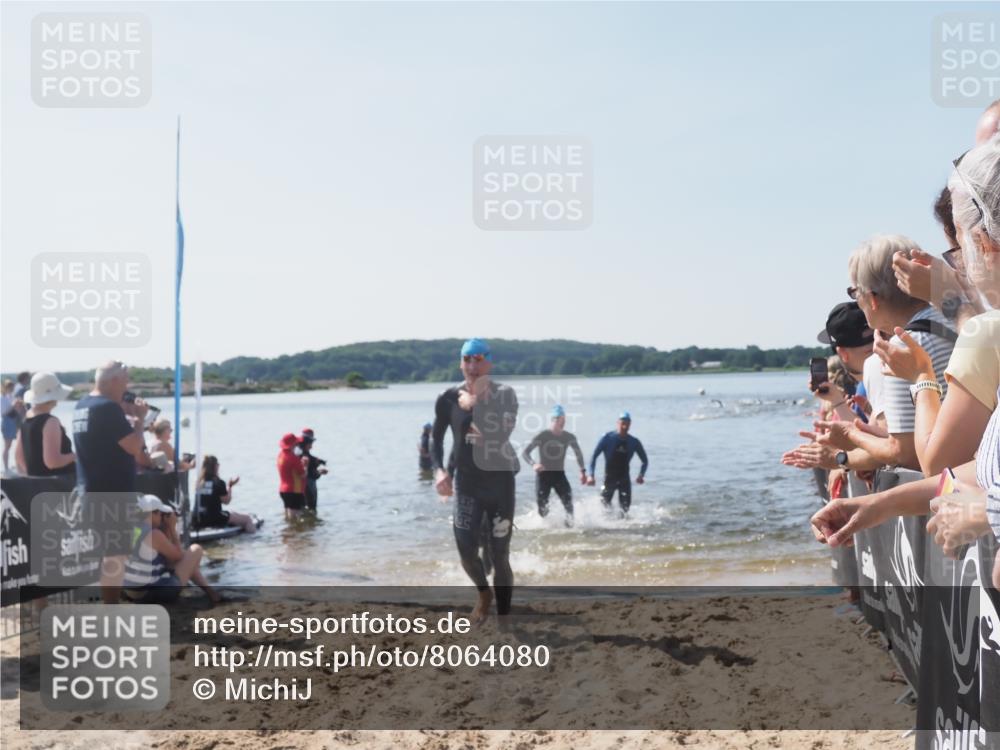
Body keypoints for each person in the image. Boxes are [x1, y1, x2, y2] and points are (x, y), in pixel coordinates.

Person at [432, 338, 519, 624]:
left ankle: (504, 617)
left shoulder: (505, 394)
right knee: (466, 548)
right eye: (467, 359)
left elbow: (501, 435)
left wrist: (475, 405)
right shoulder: (447, 398)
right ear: (460, 363)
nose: (472, 365)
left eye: (478, 359)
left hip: (500, 483)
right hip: (467, 484)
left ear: (489, 363)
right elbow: (437, 440)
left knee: (499, 553)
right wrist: (440, 471)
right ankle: (484, 594)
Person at [72, 361, 153, 604]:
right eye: (126, 379)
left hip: (90, 488)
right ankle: (111, 610)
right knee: (115, 554)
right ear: (115, 381)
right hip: (111, 491)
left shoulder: (82, 404)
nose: (128, 385)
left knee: (108, 553)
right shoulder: (107, 408)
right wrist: (139, 420)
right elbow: (134, 447)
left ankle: (107, 607)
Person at [123, 494, 220, 604]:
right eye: (160, 514)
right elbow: (178, 556)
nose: (161, 517)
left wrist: (166, 530)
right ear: (152, 513)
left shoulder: (134, 528)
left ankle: (210, 592)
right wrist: (172, 528)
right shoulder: (154, 534)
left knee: (184, 559)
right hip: (148, 595)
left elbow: (169, 558)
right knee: (196, 549)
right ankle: (211, 592)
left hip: (130, 591)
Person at [521, 404, 586, 526]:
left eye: (562, 420)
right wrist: (533, 464)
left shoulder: (569, 437)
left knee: (569, 505)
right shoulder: (543, 435)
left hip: (559, 475)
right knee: (542, 510)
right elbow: (525, 453)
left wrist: (583, 471)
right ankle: (546, 526)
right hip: (543, 476)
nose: (560, 422)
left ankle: (569, 528)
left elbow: (579, 454)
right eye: (557, 419)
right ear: (552, 420)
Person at [587, 412, 649, 516]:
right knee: (604, 506)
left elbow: (645, 461)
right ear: (618, 423)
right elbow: (593, 457)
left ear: (630, 424)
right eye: (622, 423)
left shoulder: (634, 442)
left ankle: (623, 529)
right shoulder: (607, 438)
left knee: (625, 510)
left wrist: (641, 475)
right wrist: (591, 475)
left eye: (627, 423)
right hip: (609, 478)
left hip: (624, 479)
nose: (624, 426)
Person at [14, 372, 75, 477]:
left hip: (39, 487)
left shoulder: (26, 420)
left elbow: (19, 456)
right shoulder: (50, 422)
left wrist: (36, 476)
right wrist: (76, 456)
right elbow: (52, 462)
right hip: (58, 486)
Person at [194, 455, 255, 532]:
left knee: (232, 513)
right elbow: (227, 501)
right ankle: (254, 540)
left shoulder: (198, 482)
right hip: (214, 518)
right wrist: (230, 486)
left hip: (198, 518)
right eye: (218, 464)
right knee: (247, 519)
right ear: (215, 466)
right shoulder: (218, 482)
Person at [277, 432, 307, 519]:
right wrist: (305, 465)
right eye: (296, 444)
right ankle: (296, 532)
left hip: (283, 490)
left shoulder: (280, 455)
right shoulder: (293, 458)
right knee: (296, 518)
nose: (297, 445)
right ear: (293, 445)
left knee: (288, 516)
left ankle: (288, 531)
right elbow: (303, 475)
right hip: (294, 491)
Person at [299, 428, 328, 512]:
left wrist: (319, 461)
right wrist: (320, 471)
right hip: (307, 485)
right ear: (305, 442)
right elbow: (310, 473)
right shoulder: (303, 455)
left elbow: (311, 460)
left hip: (300, 485)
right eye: (310, 442)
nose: (311, 446)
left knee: (304, 509)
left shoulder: (298, 451)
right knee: (311, 508)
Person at [2, 379, 18, 473]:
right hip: (7, 422)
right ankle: (6, 468)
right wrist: (13, 405)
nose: (12, 388)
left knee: (13, 445)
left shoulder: (10, 396)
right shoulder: (2, 398)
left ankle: (13, 466)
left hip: (13, 421)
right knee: (7, 446)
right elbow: (3, 413)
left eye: (12, 387)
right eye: (10, 387)